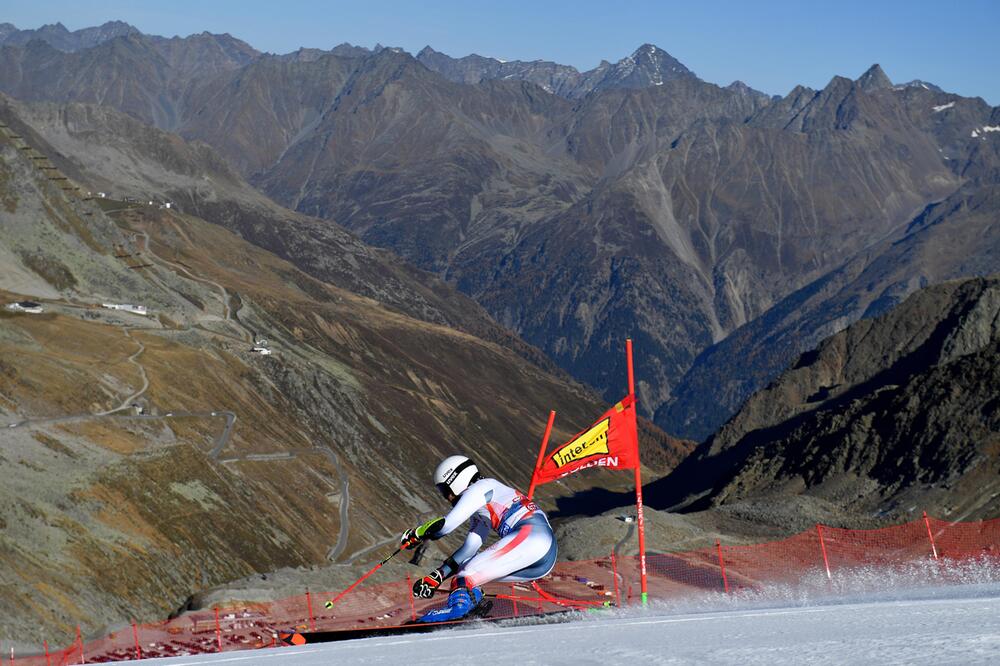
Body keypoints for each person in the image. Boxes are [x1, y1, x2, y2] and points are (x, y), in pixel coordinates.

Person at [399, 455, 558, 622]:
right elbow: (470, 548)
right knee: (465, 573)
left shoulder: (479, 489)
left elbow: (446, 525)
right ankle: (471, 605)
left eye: (446, 491)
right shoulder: (483, 502)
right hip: (543, 556)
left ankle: (454, 612)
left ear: (456, 480)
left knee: (466, 575)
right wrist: (437, 576)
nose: (447, 498)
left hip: (532, 537)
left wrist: (417, 533)